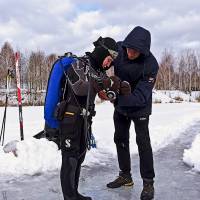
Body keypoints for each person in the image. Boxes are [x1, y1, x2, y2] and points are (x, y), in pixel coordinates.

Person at [44, 36, 121, 200]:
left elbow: (100, 93)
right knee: (70, 158)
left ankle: (75, 194)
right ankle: (69, 197)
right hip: (70, 119)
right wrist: (104, 83)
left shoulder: (96, 70)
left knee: (80, 155)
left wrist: (117, 89)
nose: (108, 64)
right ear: (102, 53)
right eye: (108, 59)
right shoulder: (78, 64)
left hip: (84, 120)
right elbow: (79, 88)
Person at [106, 26, 159, 200]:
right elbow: (105, 51)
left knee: (143, 143)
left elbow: (142, 96)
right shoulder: (121, 48)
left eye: (134, 51)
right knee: (120, 139)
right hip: (121, 106)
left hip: (140, 107)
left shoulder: (151, 64)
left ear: (143, 51)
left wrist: (115, 98)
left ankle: (148, 183)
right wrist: (104, 57)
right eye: (128, 49)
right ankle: (125, 176)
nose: (130, 53)